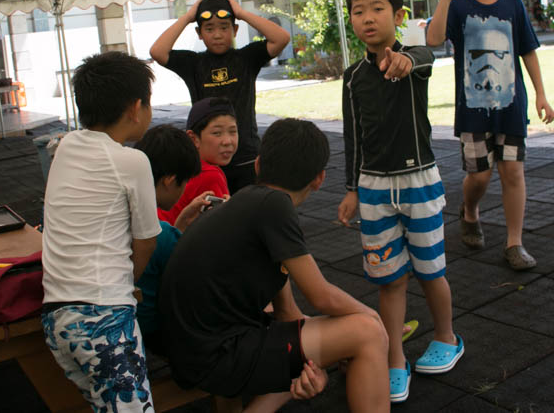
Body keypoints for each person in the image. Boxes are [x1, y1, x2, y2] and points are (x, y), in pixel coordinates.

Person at [159, 118, 391, 413]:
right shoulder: (274, 206)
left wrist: (324, 354)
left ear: (257, 165)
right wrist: (373, 319)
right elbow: (321, 296)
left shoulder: (250, 203)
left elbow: (287, 314)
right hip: (214, 355)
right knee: (367, 332)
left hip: (194, 349)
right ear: (319, 178)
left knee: (351, 331)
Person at [338, 0, 462, 403]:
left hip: (419, 181)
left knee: (431, 270)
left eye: (377, 8)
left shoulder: (415, 61)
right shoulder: (353, 78)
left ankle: (447, 336)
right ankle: (394, 358)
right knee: (388, 278)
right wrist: (352, 188)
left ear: (398, 15)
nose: (368, 18)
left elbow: (427, 54)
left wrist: (407, 61)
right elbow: (353, 137)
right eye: (358, 11)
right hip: (372, 187)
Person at [40, 51, 161, 412]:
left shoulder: (65, 147)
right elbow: (146, 240)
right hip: (102, 320)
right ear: (135, 108)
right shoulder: (132, 161)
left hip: (57, 318)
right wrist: (131, 281)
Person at [426, 0, 554, 271]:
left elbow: (527, 50)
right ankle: (469, 212)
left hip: (511, 106)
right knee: (479, 176)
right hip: (472, 109)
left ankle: (514, 242)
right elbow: (433, 39)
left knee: (513, 171)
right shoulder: (457, 5)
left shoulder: (512, 4)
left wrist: (541, 94)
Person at [150, 0, 290, 194]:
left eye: (224, 27)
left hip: (245, 155)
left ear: (235, 30)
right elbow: (157, 51)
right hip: (208, 159)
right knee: (213, 215)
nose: (217, 34)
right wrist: (187, 17)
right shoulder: (193, 64)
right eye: (209, 28)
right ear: (199, 33)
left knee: (247, 213)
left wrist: (241, 13)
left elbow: (281, 38)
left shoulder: (246, 58)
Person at [133, 124, 214, 350]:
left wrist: (181, 224)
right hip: (154, 333)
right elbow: (197, 277)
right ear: (169, 180)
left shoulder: (127, 215)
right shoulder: (161, 235)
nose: (185, 188)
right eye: (184, 181)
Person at [156, 97, 236, 225]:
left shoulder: (178, 161)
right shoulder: (210, 175)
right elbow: (222, 229)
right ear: (194, 138)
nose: (228, 141)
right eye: (217, 133)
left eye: (233, 132)